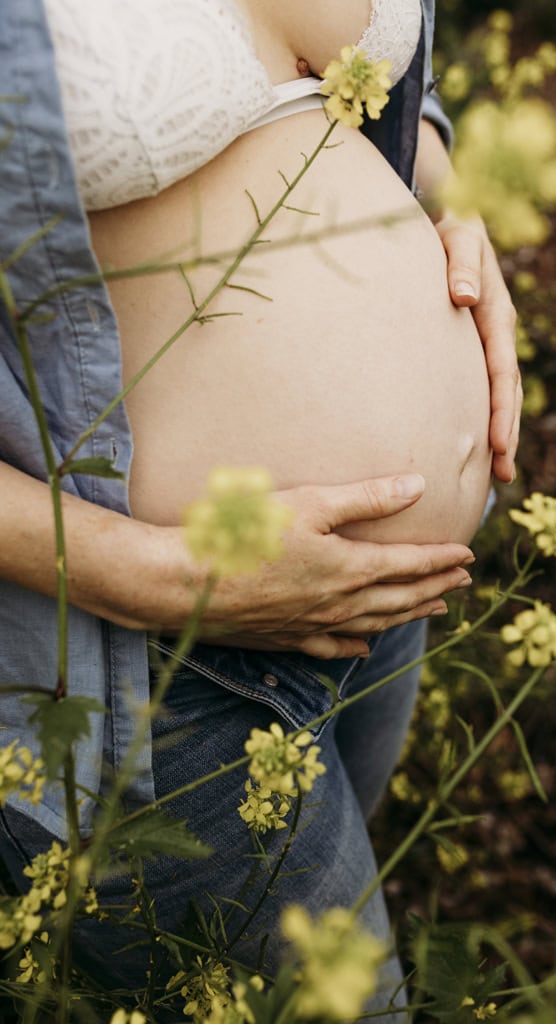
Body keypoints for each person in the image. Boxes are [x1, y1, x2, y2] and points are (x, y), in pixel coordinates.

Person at [0, 0, 521, 1012]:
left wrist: (451, 201)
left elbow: (356, 90)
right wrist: (151, 574)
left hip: (378, 605)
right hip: (151, 656)